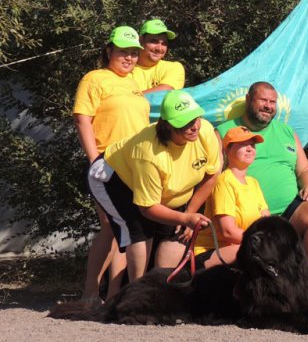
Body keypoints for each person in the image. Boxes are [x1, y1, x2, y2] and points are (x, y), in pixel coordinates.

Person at [87, 90, 220, 283]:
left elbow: (212, 175)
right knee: (138, 232)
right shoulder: (149, 154)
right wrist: (185, 218)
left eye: (195, 118)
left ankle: (160, 290)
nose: (194, 127)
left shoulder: (205, 131)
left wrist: (189, 214)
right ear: (167, 126)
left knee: (175, 234)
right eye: (184, 122)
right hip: (113, 176)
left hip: (161, 190)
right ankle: (130, 294)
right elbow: (148, 208)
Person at [73, 25, 150, 302]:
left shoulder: (133, 83)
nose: (129, 58)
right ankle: (90, 294)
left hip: (135, 165)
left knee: (122, 228)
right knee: (112, 226)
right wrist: (94, 159)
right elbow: (83, 118)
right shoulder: (95, 79)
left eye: (133, 53)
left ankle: (114, 295)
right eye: (123, 52)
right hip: (107, 163)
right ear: (109, 51)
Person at [216, 82, 308, 263]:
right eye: (263, 100)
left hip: (288, 214)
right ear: (248, 100)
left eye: (273, 102)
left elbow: (305, 169)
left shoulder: (286, 131)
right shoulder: (224, 132)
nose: (269, 106)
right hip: (247, 220)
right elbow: (212, 176)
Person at [194, 126, 269, 268]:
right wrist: (264, 243)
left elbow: (266, 222)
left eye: (252, 145)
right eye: (242, 145)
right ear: (227, 150)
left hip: (245, 246)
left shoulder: (254, 183)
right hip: (212, 251)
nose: (249, 149)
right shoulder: (224, 181)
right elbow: (227, 232)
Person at [131, 19, 186, 94]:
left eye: (164, 43)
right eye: (154, 41)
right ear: (141, 40)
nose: (159, 48)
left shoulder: (173, 67)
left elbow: (164, 92)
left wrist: (130, 97)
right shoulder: (125, 69)